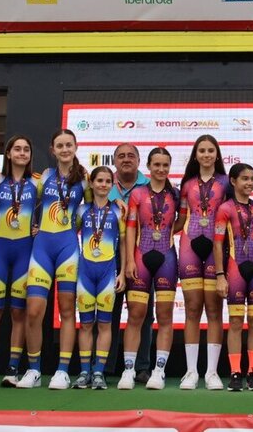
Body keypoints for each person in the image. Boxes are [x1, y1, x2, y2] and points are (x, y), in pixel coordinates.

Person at [18, 129, 87, 390]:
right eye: (60, 145)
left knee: (68, 310)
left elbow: (92, 212)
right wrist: (34, 225)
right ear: (53, 149)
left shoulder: (85, 179)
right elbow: (21, 197)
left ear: (75, 146)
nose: (65, 149)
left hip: (68, 247)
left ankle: (62, 371)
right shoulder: (43, 176)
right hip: (42, 247)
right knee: (34, 311)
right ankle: (34, 369)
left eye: (69, 145)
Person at [118, 147, 180, 390]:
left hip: (166, 257)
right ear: (149, 166)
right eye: (157, 165)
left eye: (165, 165)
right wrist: (131, 260)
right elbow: (131, 226)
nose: (161, 169)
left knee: (165, 316)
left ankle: (159, 371)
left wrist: (164, 235)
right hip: (141, 257)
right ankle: (128, 370)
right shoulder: (137, 194)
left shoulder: (175, 194)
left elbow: (182, 221)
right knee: (135, 315)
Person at [0, 135, 41, 387]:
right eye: (17, 149)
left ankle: (13, 366)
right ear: (7, 153)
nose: (22, 153)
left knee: (19, 311)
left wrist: (38, 226)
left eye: (26, 149)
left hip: (25, 251)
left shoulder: (37, 183)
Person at [177, 135, 229, 390]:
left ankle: (211, 372)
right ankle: (190, 372)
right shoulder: (186, 184)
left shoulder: (226, 182)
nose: (207, 154)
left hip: (216, 249)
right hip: (189, 245)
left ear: (217, 154)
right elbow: (180, 218)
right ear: (195, 155)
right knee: (192, 308)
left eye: (211, 150)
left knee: (214, 309)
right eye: (202, 150)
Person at [214, 163, 253, 392]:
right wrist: (219, 275)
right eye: (244, 178)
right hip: (234, 269)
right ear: (233, 181)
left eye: (252, 179)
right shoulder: (224, 208)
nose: (249, 183)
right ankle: (235, 372)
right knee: (235, 322)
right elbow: (217, 244)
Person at [73, 166, 126, 391]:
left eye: (107, 181)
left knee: (104, 324)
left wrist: (122, 272)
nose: (103, 185)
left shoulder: (118, 211)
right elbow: (69, 236)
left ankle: (98, 373)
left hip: (107, 273)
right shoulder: (81, 210)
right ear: (92, 183)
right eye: (99, 181)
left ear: (112, 185)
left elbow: (123, 244)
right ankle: (85, 371)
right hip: (85, 272)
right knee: (85, 325)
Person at [106, 144, 152, 382]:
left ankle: (142, 367)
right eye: (121, 156)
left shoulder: (149, 186)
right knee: (108, 312)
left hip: (142, 257)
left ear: (138, 160)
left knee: (142, 313)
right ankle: (106, 366)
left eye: (131, 156)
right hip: (106, 256)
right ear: (114, 160)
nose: (126, 159)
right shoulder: (101, 185)